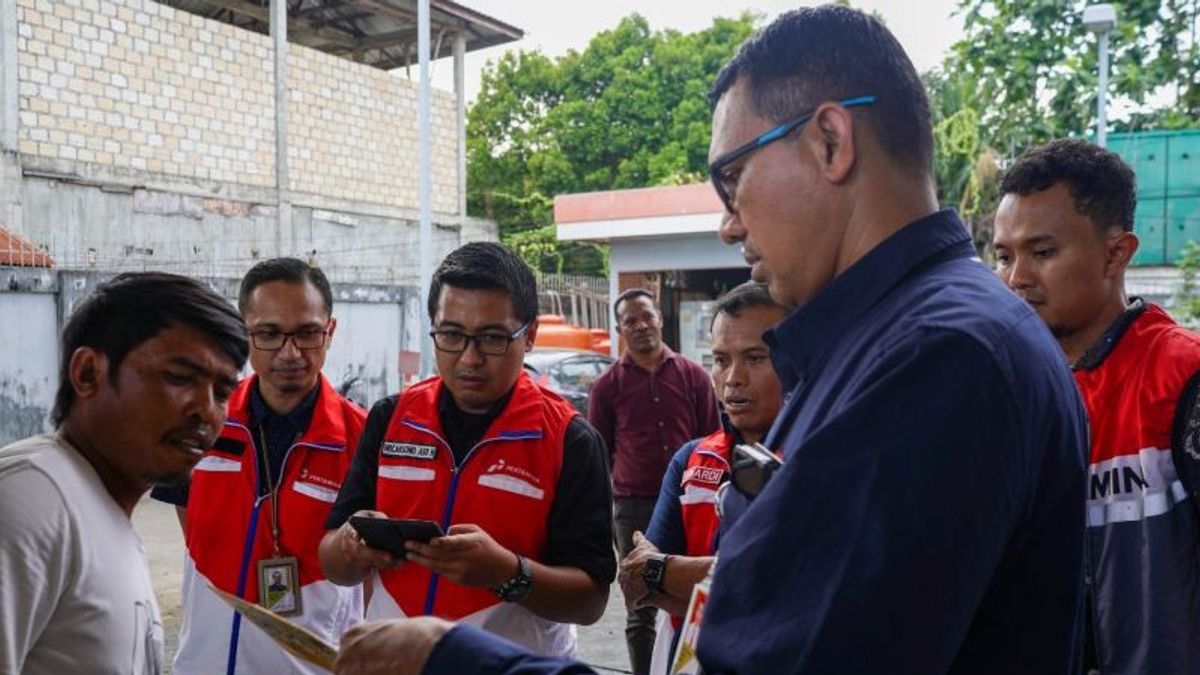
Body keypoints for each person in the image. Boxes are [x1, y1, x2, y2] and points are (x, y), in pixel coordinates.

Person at [331, 7, 1090, 675]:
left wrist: (455, 657)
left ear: (830, 140)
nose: (728, 224)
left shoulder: (935, 361)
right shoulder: (892, 343)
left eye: (732, 179)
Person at [318, 241, 615, 657]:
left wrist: (509, 574)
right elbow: (332, 559)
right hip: (398, 664)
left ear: (529, 335)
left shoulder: (570, 440)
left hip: (513, 666)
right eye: (452, 335)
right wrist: (350, 546)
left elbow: (591, 601)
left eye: (492, 338)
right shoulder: (390, 419)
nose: (470, 358)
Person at [992, 139, 1200, 674]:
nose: (1016, 279)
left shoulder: (1182, 376)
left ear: (1116, 253)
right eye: (1003, 255)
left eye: (1041, 252)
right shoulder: (1003, 393)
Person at [0, 272, 246, 675]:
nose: (207, 411)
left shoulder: (98, 505)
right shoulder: (32, 497)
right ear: (87, 373)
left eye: (222, 392)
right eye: (180, 378)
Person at [151, 258, 367, 675]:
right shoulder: (200, 418)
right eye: (268, 333)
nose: (290, 353)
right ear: (244, 331)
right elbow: (191, 525)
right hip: (203, 664)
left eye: (307, 333)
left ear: (330, 331)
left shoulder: (362, 439)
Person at [619, 281, 787, 674]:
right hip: (686, 657)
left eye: (756, 358)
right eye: (721, 359)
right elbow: (639, 583)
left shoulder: (818, 459)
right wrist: (726, 584)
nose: (733, 378)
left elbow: (784, 588)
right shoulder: (690, 460)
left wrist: (668, 570)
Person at [588, 288, 720, 674]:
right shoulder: (607, 385)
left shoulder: (693, 376)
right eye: (631, 321)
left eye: (647, 316)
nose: (641, 325)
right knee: (640, 602)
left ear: (660, 318)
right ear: (619, 329)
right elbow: (600, 453)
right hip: (633, 507)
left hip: (690, 502)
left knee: (700, 588)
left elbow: (712, 439)